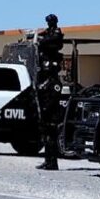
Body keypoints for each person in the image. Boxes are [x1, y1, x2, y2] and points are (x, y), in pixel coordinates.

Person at [35, 14, 65, 170]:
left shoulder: (54, 83)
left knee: (51, 137)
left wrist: (46, 110)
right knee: (46, 137)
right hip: (46, 116)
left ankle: (52, 162)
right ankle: (48, 161)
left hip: (52, 117)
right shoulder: (45, 81)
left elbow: (52, 100)